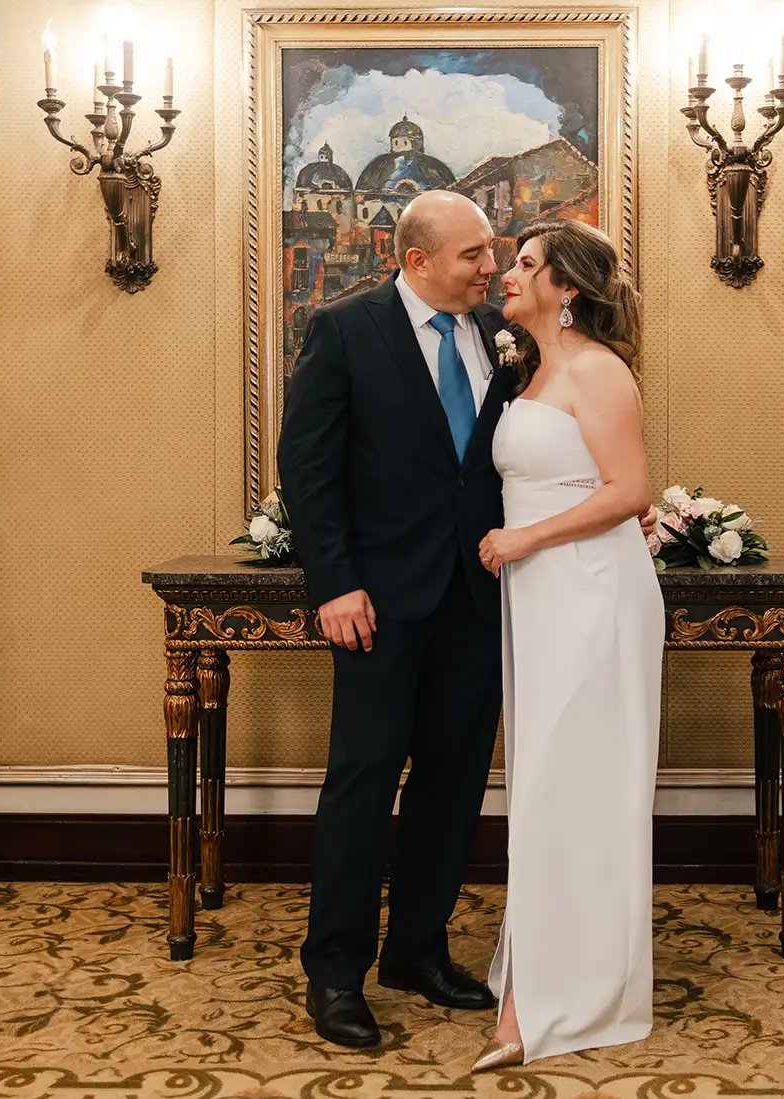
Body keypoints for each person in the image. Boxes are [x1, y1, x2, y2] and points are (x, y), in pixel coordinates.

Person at [276, 190, 511, 1048]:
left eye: (491, 252)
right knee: (363, 784)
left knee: (452, 785)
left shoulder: (498, 339)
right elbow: (307, 466)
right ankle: (335, 972)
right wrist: (334, 583)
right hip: (376, 602)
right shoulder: (345, 329)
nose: (492, 267)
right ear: (417, 260)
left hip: (478, 600)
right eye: (474, 255)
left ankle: (417, 947)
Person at [472, 219, 663, 1070]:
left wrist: (522, 540)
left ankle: (546, 999)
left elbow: (629, 490)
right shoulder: (535, 366)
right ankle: (538, 974)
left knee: (575, 783)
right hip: (544, 601)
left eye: (524, 264)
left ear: (566, 287)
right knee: (547, 783)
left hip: (589, 593)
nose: (506, 274)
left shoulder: (599, 368)